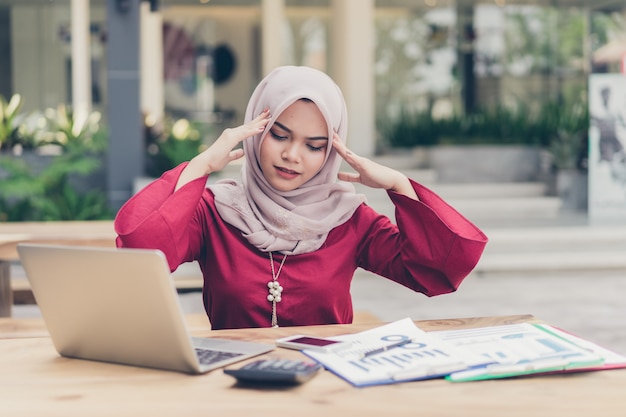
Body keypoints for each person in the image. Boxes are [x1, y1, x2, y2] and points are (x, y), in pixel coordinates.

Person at [114, 66, 488, 330]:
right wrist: (201, 165)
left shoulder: (350, 221)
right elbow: (140, 249)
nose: (293, 155)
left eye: (314, 145)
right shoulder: (215, 212)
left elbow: (439, 270)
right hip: (232, 390)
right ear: (256, 133)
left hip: (327, 389)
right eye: (279, 135)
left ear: (331, 151)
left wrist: (397, 185)